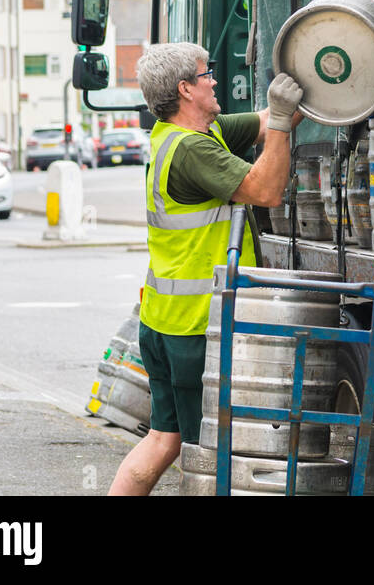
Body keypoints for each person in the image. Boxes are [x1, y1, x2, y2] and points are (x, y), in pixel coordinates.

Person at [108, 42, 303, 495]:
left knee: (164, 440)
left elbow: (276, 120)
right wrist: (278, 119)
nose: (215, 79)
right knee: (208, 456)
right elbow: (267, 189)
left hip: (163, 323)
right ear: (185, 89)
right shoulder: (193, 152)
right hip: (196, 330)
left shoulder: (182, 135)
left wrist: (306, 88)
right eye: (206, 73)